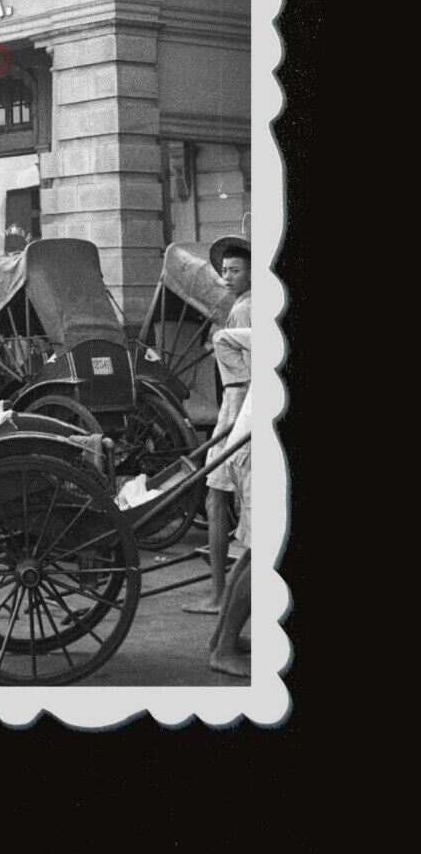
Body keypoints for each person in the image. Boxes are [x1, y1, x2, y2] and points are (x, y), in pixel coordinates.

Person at [183, 234, 251, 615]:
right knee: (221, 498)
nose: (227, 276)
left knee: (216, 496)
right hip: (238, 404)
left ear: (251, 274)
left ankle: (219, 594)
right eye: (224, 270)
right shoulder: (245, 305)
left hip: (238, 406)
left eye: (235, 270)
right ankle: (224, 593)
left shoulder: (243, 311)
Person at [209, 388, 252, 677]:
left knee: (253, 552)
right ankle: (224, 650)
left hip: (244, 446)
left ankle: (222, 639)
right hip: (252, 453)